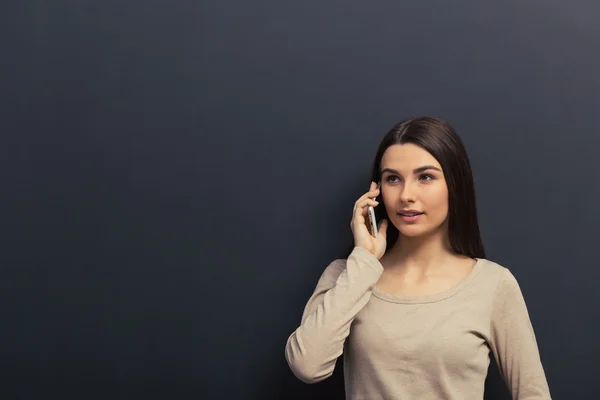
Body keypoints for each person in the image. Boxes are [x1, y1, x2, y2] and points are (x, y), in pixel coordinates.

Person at [284, 117, 551, 399]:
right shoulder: (348, 274)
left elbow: (533, 394)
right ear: (376, 192)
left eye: (425, 177)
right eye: (393, 179)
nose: (406, 195)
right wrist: (364, 260)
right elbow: (307, 366)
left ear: (454, 184)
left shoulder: (493, 284)